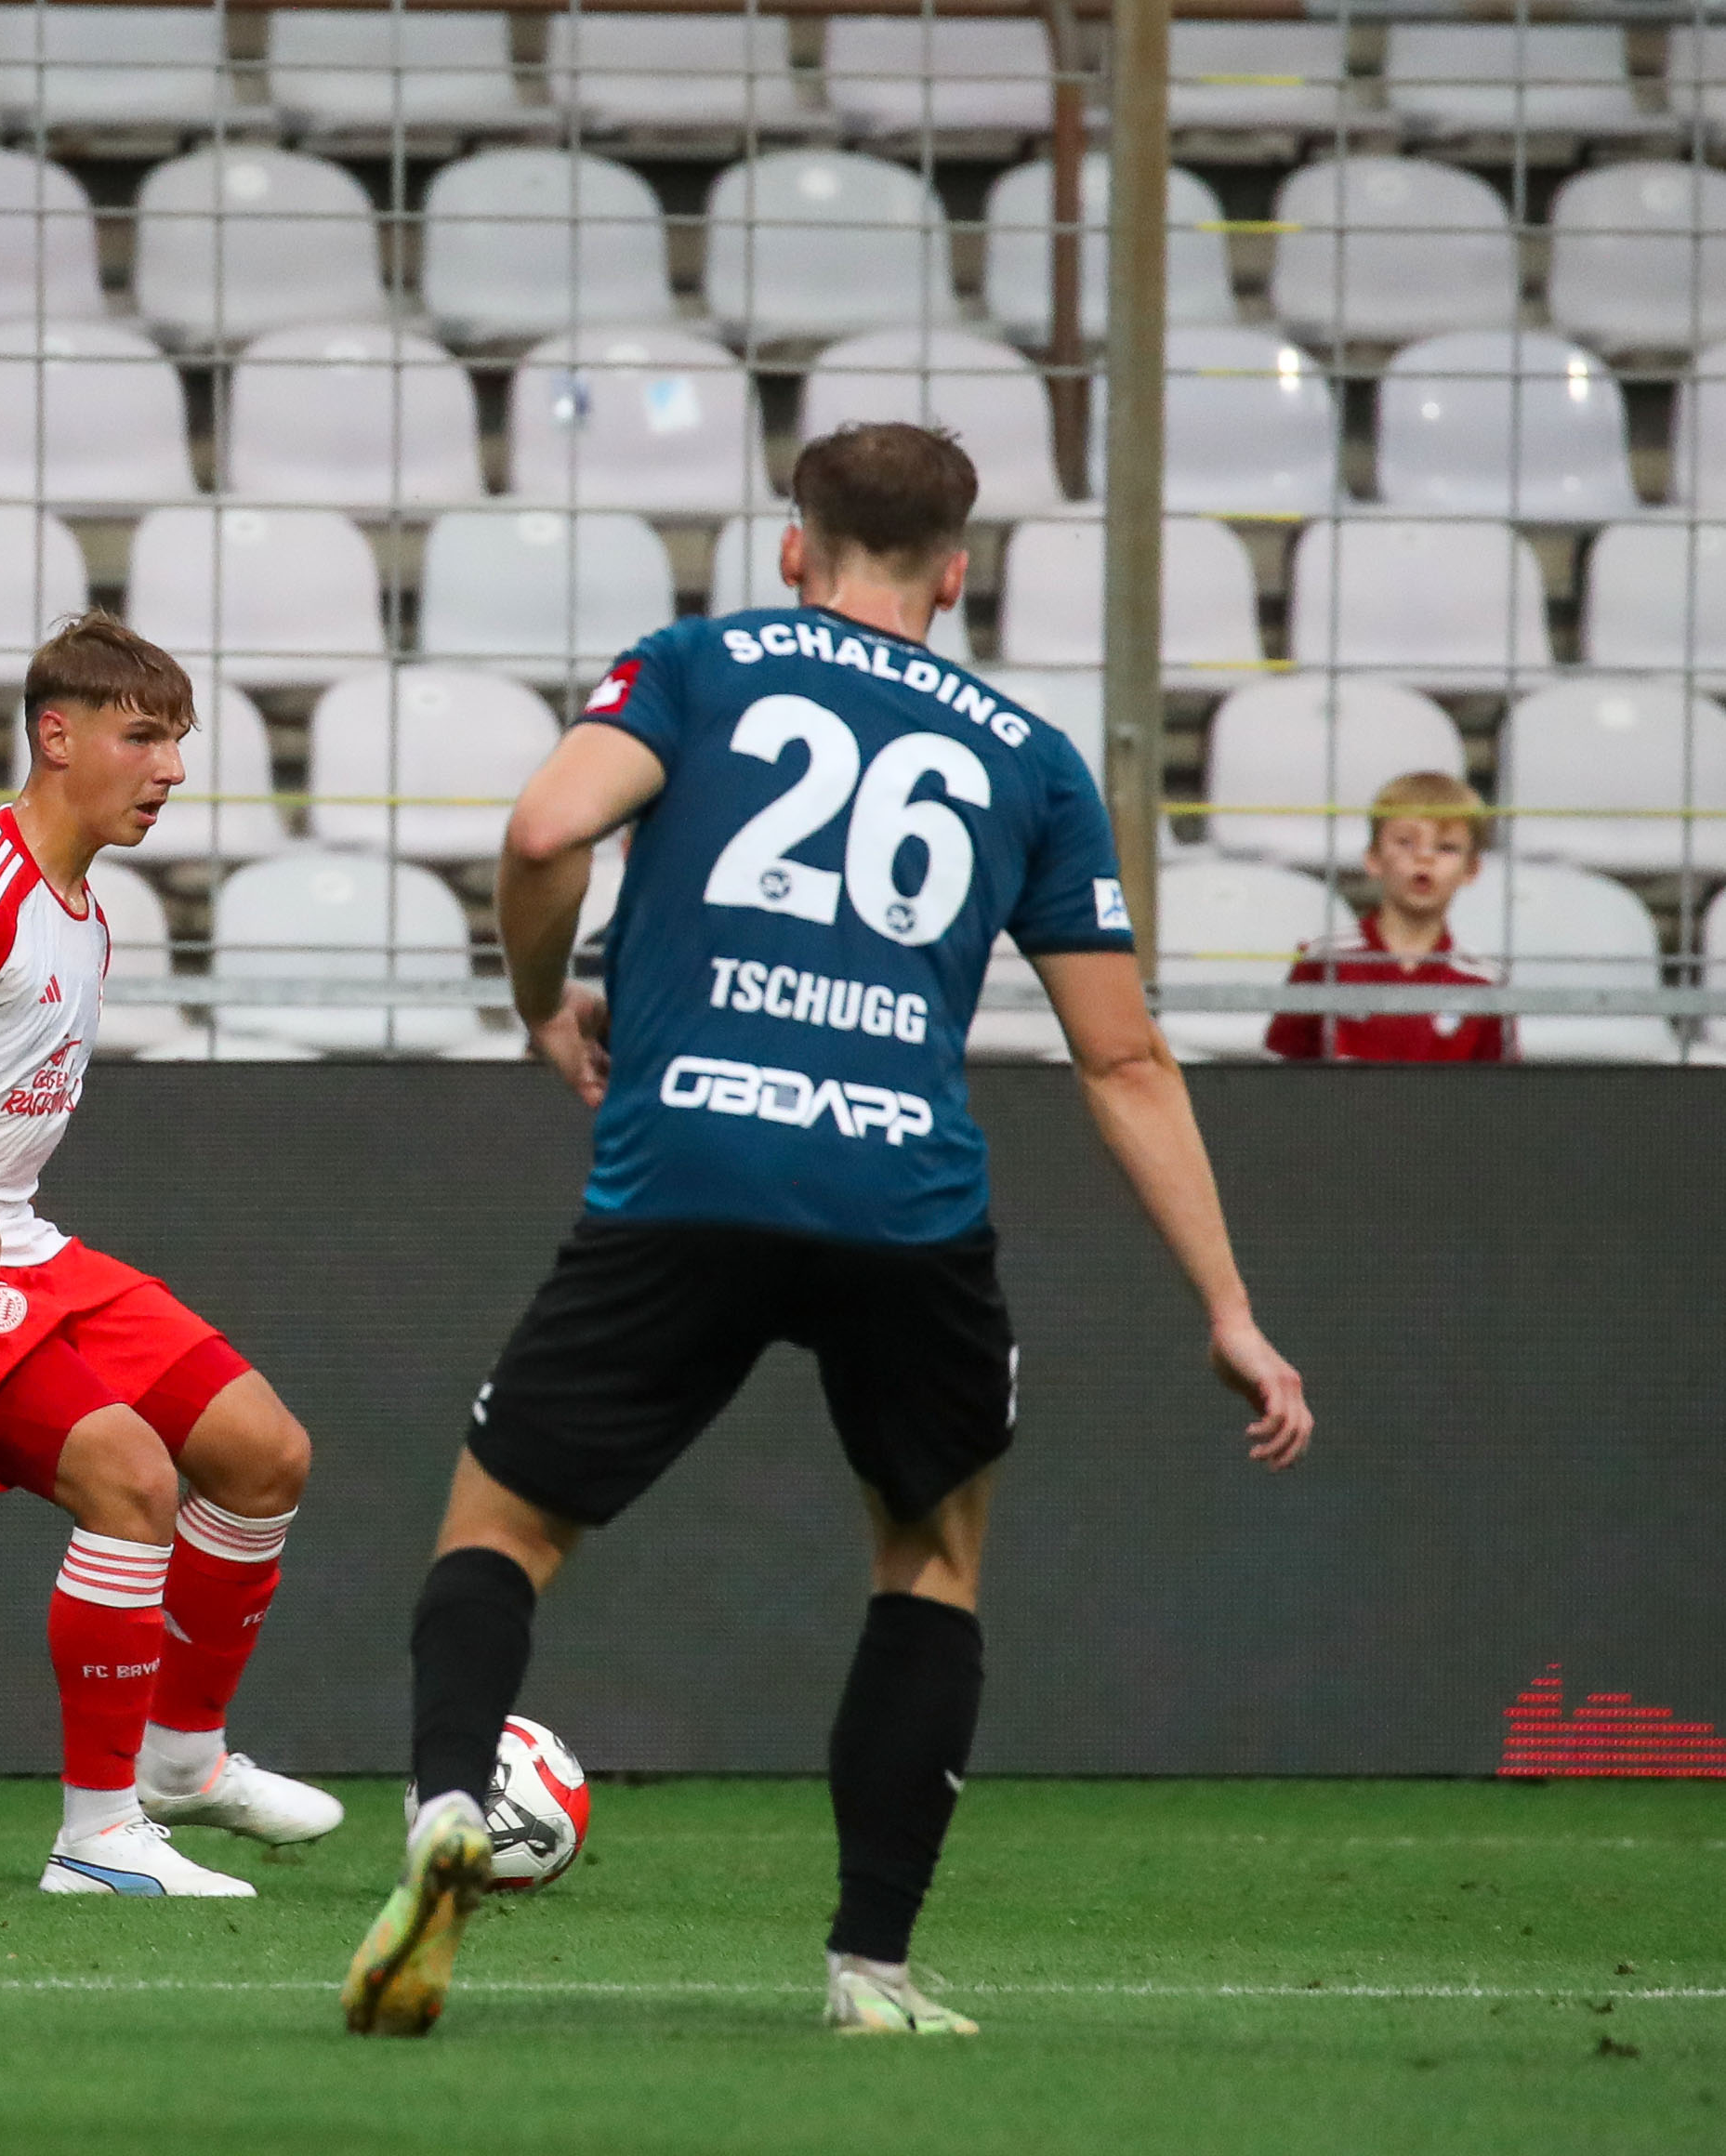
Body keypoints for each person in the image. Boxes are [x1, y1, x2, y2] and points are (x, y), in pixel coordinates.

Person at [339, 426, 1316, 2036]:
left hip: (689, 1166)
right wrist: (1228, 1307)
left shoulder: (697, 665)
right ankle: (870, 1970)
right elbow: (1123, 1055)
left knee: (503, 1531)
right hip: (902, 1202)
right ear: (956, 570)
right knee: (929, 1563)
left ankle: (452, 1797)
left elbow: (538, 835)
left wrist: (541, 1005)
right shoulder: (1029, 757)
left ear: (793, 549)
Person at [0, 613, 340, 1900]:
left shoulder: (87, 906)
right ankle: (97, 1839)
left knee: (264, 1454)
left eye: (177, 743)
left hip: (16, 1243)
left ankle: (181, 1763)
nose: (168, 770)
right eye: (141, 737)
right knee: (130, 1478)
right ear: (56, 736)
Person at [1264, 771, 1507, 1063]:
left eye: (1446, 848)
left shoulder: (1484, 980)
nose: (1424, 858)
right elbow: (1281, 1078)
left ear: (1472, 869)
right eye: (1406, 843)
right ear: (1373, 858)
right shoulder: (1325, 960)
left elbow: (1501, 1094)